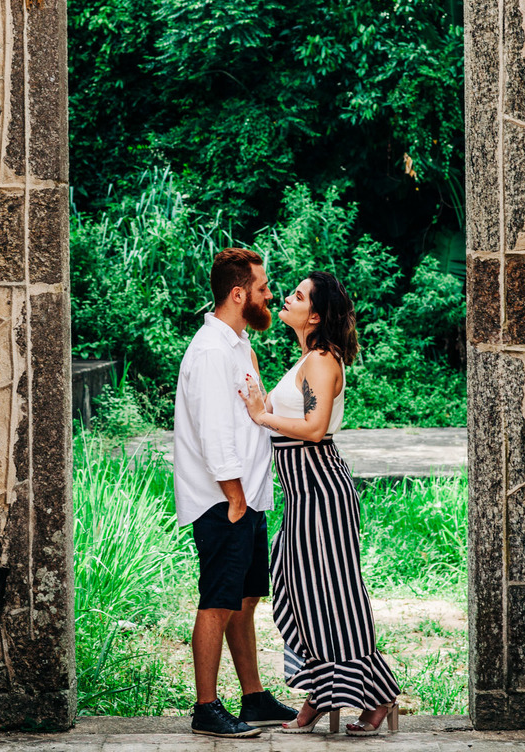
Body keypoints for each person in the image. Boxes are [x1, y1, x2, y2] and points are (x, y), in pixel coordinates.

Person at [238, 271, 401, 736]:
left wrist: (260, 414)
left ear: (314, 314)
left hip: (322, 491)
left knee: (334, 596)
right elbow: (282, 411)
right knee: (303, 592)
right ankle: (331, 691)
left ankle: (368, 696)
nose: (286, 298)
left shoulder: (322, 361)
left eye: (297, 295)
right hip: (304, 494)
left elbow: (313, 428)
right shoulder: (306, 359)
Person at [173, 248, 300, 738]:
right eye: (264, 288)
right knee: (218, 601)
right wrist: (234, 496)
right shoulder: (208, 352)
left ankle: (254, 698)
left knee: (245, 599)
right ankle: (206, 708)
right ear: (239, 293)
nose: (270, 295)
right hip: (223, 500)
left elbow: (252, 414)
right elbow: (213, 433)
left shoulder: (236, 344)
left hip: (246, 496)